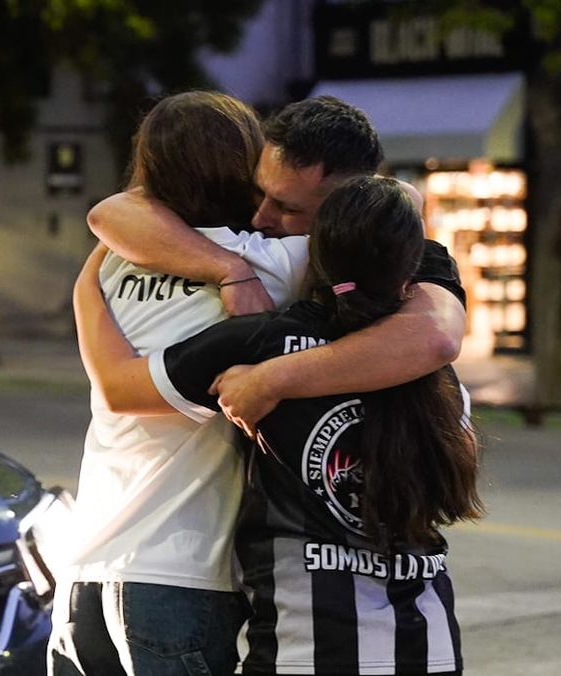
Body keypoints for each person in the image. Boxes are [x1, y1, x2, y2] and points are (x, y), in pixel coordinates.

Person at [75, 175, 484, 675]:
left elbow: (121, 389)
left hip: (303, 650)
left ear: (311, 253)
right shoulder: (439, 380)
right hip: (431, 648)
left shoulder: (259, 348)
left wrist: (88, 285)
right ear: (410, 270)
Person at [49, 90, 309, 676]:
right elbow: (395, 207)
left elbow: (111, 210)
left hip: (85, 571)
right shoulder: (274, 264)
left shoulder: (109, 261)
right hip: (179, 575)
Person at [87, 95, 467, 439]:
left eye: (288, 208)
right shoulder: (266, 256)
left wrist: (268, 381)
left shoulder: (279, 271)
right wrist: (229, 269)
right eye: (257, 191)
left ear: (344, 205)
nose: (259, 217)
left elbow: (437, 337)